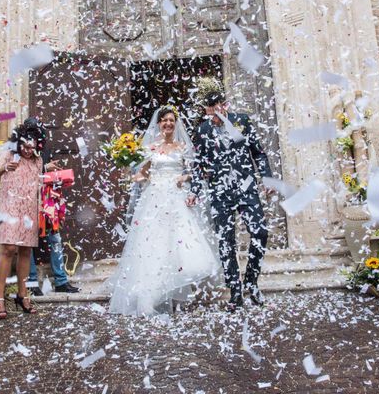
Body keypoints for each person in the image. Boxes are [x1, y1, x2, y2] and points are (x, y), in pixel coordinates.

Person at [108, 106, 221, 316]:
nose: (168, 124)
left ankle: (176, 292)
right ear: (158, 124)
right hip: (155, 200)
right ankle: (150, 295)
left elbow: (196, 173)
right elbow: (141, 175)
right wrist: (128, 168)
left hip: (177, 199)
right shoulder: (150, 148)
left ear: (175, 124)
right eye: (164, 121)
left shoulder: (182, 147)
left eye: (171, 120)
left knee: (181, 245)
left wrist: (183, 177)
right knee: (154, 245)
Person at [187, 81, 274, 311]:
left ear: (224, 105)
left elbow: (259, 153)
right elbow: (198, 165)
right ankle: (235, 291)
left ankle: (252, 282)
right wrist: (195, 190)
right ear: (206, 110)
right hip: (220, 192)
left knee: (260, 233)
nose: (215, 115)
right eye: (210, 111)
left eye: (218, 109)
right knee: (226, 242)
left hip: (246, 188)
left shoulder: (242, 121)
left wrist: (266, 178)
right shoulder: (202, 130)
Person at [0, 118, 48, 319]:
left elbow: (39, 185)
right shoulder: (9, 155)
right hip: (11, 209)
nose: (28, 151)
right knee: (8, 249)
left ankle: (22, 295)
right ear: (18, 141)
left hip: (29, 210)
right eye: (25, 146)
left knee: (25, 251)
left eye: (32, 148)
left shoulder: (38, 161)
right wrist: (5, 168)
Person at [28, 171, 79, 295]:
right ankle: (31, 283)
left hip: (47, 198)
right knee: (27, 242)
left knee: (55, 239)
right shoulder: (19, 153)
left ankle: (61, 282)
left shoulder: (43, 151)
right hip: (29, 199)